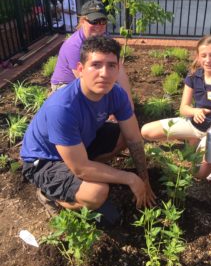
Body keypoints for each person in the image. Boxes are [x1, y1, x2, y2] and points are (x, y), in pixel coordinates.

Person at [21, 36, 155, 220]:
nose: (104, 73)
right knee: (97, 192)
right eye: (96, 65)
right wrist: (130, 178)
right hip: (45, 160)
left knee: (124, 136)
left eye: (111, 66)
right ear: (80, 69)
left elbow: (133, 138)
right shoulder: (62, 107)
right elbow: (81, 168)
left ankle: (92, 172)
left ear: (118, 69)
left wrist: (145, 180)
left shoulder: (116, 94)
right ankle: (49, 195)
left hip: (78, 146)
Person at [141, 34, 211, 180]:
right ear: (198, 57)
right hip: (193, 125)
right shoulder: (193, 76)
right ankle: (193, 140)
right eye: (203, 55)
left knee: (199, 175)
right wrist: (195, 111)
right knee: (146, 131)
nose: (208, 60)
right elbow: (184, 108)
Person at [51, 0, 133, 108]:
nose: (99, 26)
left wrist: (129, 105)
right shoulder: (74, 46)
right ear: (83, 21)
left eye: (102, 21)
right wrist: (110, 109)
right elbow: (87, 83)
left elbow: (120, 71)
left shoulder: (104, 36)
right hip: (66, 85)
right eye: (94, 21)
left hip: (89, 79)